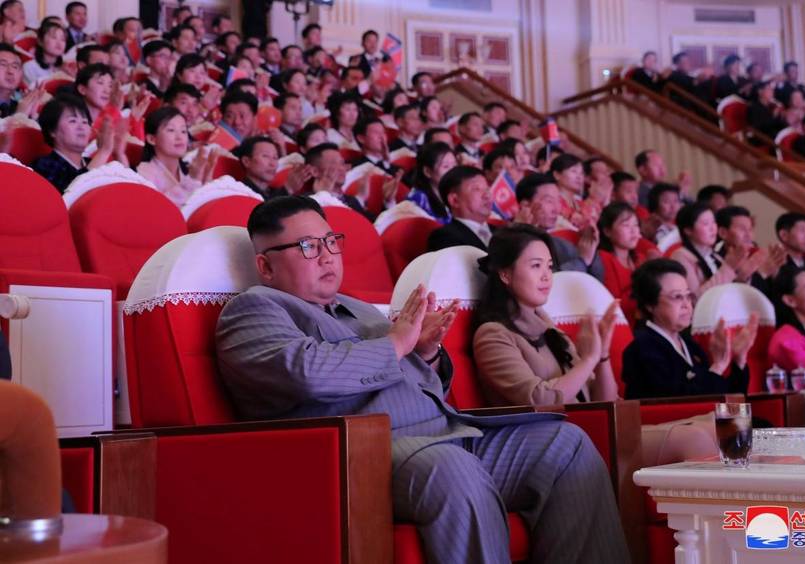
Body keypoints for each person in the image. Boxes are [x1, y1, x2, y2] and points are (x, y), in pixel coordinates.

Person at [215, 195, 629, 564]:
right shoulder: (254, 309)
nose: (327, 256)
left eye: (330, 242)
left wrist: (424, 352)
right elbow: (305, 373)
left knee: (565, 444)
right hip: (363, 454)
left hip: (446, 433)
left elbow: (419, 383)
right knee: (453, 469)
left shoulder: (358, 310)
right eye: (307, 246)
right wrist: (397, 343)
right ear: (266, 266)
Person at [472, 224, 619, 406]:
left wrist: (602, 356)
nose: (547, 276)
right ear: (505, 274)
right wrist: (589, 359)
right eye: (536, 266)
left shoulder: (549, 328)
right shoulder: (493, 335)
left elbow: (607, 404)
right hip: (545, 432)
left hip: (586, 428)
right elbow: (540, 400)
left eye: (549, 267)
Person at [622, 258, 754, 399]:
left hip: (705, 420)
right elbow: (683, 404)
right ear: (650, 304)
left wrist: (739, 360)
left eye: (688, 296)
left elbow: (729, 401)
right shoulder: (642, 349)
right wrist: (718, 367)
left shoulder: (689, 344)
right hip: (671, 421)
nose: (687, 305)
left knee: (755, 421)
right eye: (677, 297)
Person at [514, 173, 604, 280]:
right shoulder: (507, 241)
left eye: (558, 201)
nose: (556, 209)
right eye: (549, 201)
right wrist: (582, 261)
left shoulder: (561, 242)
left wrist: (591, 250)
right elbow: (550, 283)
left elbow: (598, 280)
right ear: (525, 205)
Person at [32, 94, 121, 193]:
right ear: (52, 130)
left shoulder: (90, 163)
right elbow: (71, 196)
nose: (81, 127)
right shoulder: (44, 166)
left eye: (85, 122)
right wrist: (103, 152)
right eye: (73, 121)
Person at [136, 107, 216, 207]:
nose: (180, 137)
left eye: (183, 131)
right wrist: (192, 179)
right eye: (171, 130)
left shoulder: (187, 170)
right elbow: (159, 210)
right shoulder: (144, 173)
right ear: (152, 139)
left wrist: (206, 177)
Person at [670, 202, 751, 298]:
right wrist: (729, 267)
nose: (712, 228)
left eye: (713, 222)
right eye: (706, 223)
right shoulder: (680, 256)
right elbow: (695, 299)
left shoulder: (713, 255)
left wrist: (744, 275)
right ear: (688, 230)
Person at [598, 202, 645, 323]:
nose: (633, 231)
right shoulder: (604, 258)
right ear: (607, 231)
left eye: (636, 225)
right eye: (626, 225)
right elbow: (614, 305)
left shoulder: (640, 259)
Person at [427, 166, 494, 251]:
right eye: (476, 189)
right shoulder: (444, 237)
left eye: (487, 189)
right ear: (454, 200)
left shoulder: (500, 230)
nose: (487, 195)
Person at [302, 142, 373, 219]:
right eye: (333, 163)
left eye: (342, 163)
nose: (342, 168)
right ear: (314, 171)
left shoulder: (352, 200)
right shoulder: (306, 204)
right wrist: (324, 195)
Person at [406, 141, 455, 223]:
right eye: (446, 166)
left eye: (454, 166)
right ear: (427, 171)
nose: (453, 171)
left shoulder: (455, 193)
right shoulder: (418, 199)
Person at [237, 135, 289, 200]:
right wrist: (287, 189)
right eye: (265, 156)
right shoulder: (239, 192)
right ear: (246, 162)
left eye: (275, 158)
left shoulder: (274, 191)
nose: (272, 164)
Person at [23, 21, 66, 87]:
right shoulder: (29, 67)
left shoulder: (66, 67)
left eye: (63, 39)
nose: (59, 43)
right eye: (53, 37)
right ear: (40, 41)